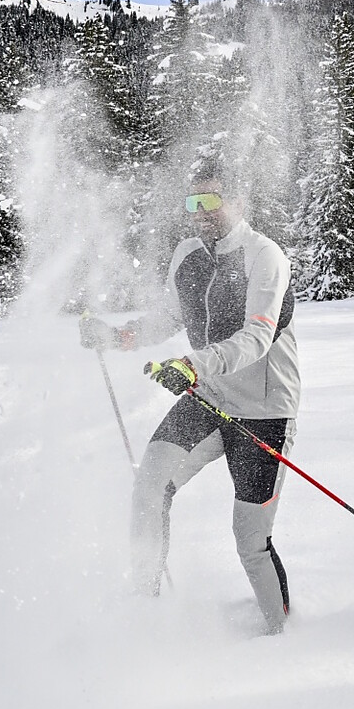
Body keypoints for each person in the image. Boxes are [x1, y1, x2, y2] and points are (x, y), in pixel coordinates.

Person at [80, 157, 299, 634]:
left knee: (250, 541)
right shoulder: (188, 256)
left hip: (264, 411)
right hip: (208, 396)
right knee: (149, 486)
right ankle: (144, 611)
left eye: (212, 200)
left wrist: (193, 364)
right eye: (193, 201)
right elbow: (170, 318)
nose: (202, 211)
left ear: (239, 201)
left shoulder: (265, 257)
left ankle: (283, 639)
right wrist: (119, 337)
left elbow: (258, 337)